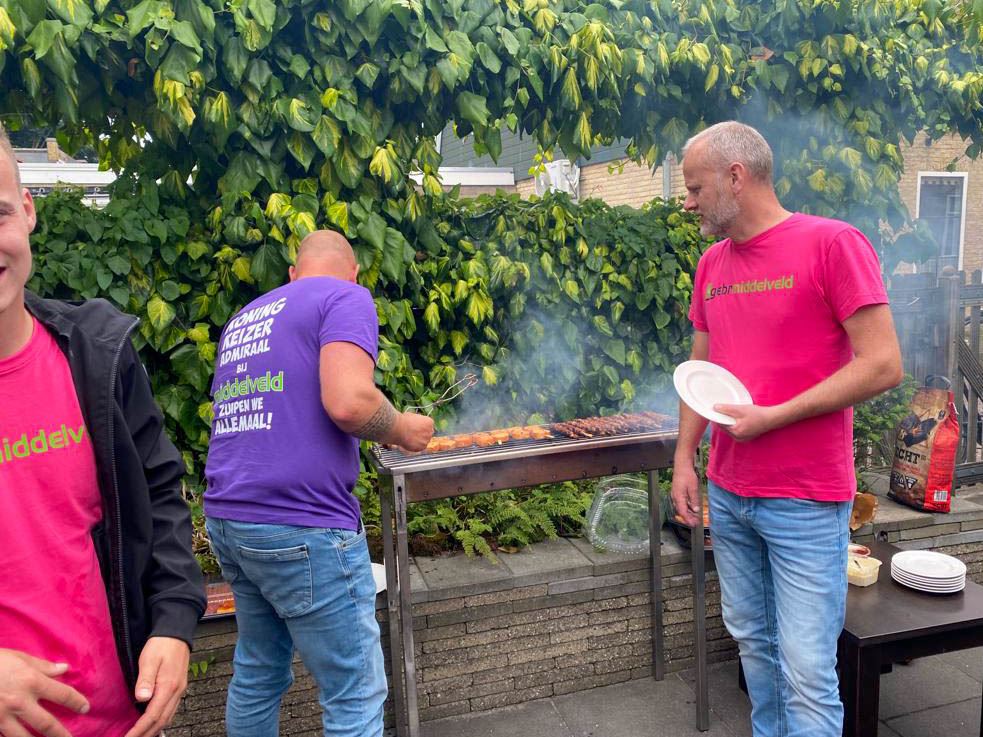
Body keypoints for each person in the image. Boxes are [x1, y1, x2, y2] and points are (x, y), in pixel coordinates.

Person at [670, 121, 903, 737]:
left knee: (806, 668)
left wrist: (774, 416)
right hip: (730, 491)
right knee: (754, 646)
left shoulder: (833, 244)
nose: (688, 201)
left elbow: (883, 364)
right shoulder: (712, 264)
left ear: (736, 178)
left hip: (804, 496)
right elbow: (703, 368)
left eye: (695, 188)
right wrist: (685, 458)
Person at [0, 123, 206, 737]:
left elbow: (162, 491)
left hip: (126, 724)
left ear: (28, 211)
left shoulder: (95, 353)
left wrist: (172, 623)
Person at [203, 230, 434, 737]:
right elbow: (350, 402)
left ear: (293, 274)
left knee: (259, 671)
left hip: (229, 520)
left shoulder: (246, 318)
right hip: (301, 526)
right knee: (355, 690)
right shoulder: (345, 296)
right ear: (352, 273)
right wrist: (402, 428)